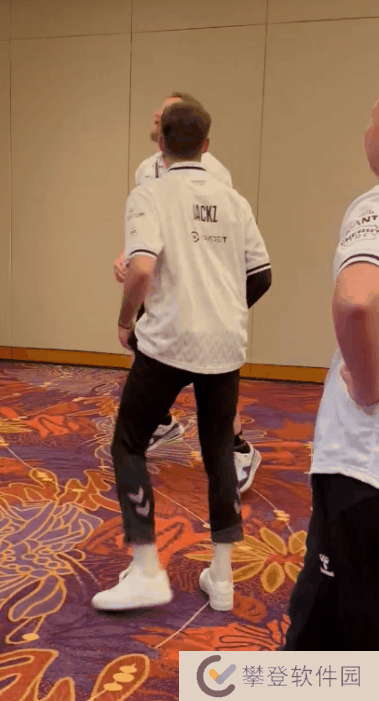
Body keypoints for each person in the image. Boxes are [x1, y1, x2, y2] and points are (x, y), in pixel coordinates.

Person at [92, 100, 271, 612]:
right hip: (224, 345)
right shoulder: (235, 201)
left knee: (129, 444)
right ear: (206, 145)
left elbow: (141, 268)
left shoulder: (149, 193)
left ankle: (146, 568)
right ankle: (223, 579)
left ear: (161, 144)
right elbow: (261, 275)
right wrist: (222, 311)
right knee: (218, 454)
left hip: (168, 340)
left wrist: (126, 319)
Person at [114, 92, 261, 494]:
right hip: (164, 291)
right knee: (150, 353)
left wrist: (221, 307)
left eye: (168, 113)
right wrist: (127, 257)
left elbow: (215, 239)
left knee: (208, 375)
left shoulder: (215, 174)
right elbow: (148, 234)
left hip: (200, 296)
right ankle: (162, 422)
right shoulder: (146, 171)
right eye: (160, 114)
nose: (160, 118)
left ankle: (237, 446)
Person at [284, 97, 379, 651]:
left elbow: (356, 302)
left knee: (326, 631)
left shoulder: (373, 205)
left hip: (364, 468)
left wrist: (367, 387)